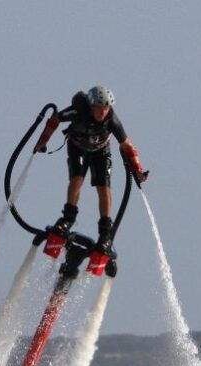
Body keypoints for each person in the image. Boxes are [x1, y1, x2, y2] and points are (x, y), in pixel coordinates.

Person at [34, 85, 149, 252]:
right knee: (77, 180)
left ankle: (105, 234)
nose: (102, 112)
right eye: (99, 108)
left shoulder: (112, 120)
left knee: (104, 188)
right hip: (77, 147)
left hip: (101, 151)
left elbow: (127, 145)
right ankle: (67, 219)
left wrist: (138, 169)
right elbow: (55, 120)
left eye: (106, 108)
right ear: (91, 106)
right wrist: (42, 142)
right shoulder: (78, 110)